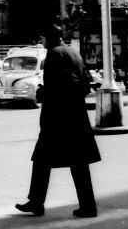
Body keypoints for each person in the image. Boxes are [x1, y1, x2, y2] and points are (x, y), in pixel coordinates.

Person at [15, 24, 100, 219]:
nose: (41, 42)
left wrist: (44, 93)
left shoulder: (54, 54)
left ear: (49, 38)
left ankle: (37, 202)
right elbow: (85, 85)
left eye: (42, 38)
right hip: (76, 117)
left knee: (41, 160)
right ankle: (87, 206)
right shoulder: (74, 53)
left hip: (58, 120)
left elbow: (57, 87)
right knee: (77, 163)